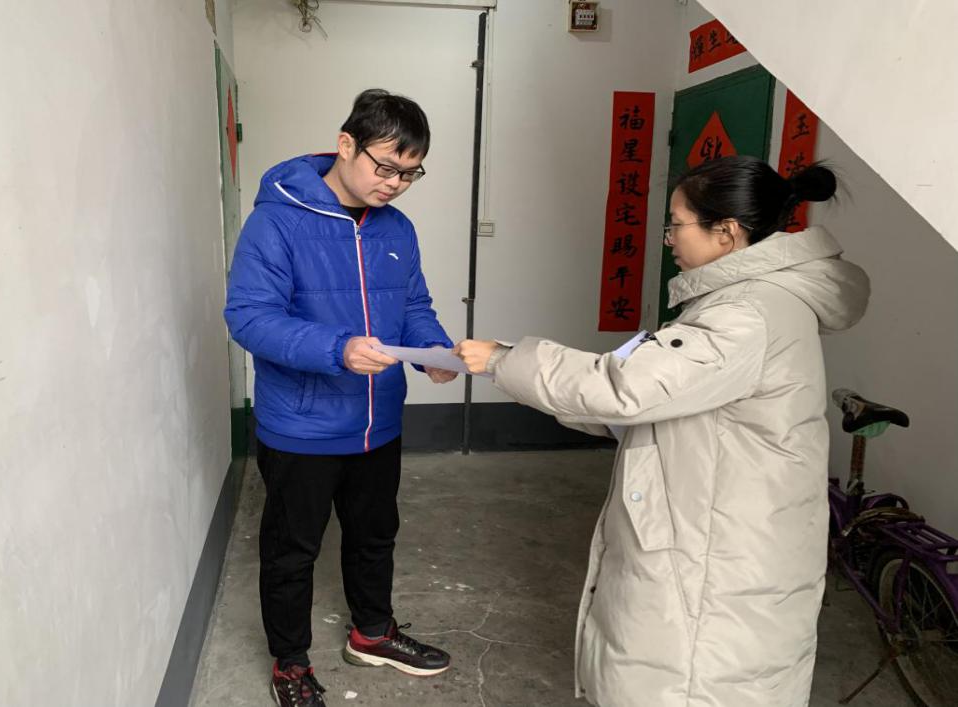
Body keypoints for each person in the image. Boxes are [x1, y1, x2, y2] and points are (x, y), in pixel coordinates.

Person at [455, 156, 870, 707]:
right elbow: (647, 402)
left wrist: (503, 359)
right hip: (725, 531)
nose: (669, 238)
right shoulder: (745, 301)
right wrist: (515, 376)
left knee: (691, 683)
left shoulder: (746, 313)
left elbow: (624, 388)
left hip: (719, 558)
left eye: (677, 224)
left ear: (726, 231)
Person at [224, 89, 457, 707]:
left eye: (410, 174)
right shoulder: (278, 221)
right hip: (302, 426)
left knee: (375, 535)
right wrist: (337, 349)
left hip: (377, 421)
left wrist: (434, 350)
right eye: (386, 167)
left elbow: (413, 304)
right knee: (292, 552)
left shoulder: (397, 229)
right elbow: (249, 317)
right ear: (346, 144)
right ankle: (290, 664)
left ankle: (372, 633)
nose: (396, 184)